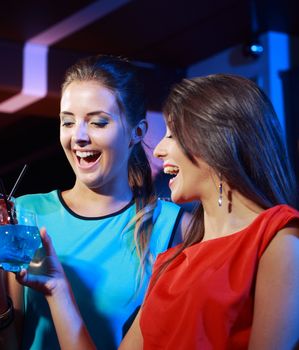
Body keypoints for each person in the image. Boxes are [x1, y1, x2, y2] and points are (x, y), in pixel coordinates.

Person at [0, 55, 187, 349]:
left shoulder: (172, 225)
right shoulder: (25, 211)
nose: (78, 136)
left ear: (136, 133)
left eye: (98, 122)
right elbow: (4, 344)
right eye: (68, 122)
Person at [119, 74, 299, 349]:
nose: (159, 150)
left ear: (216, 141)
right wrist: (58, 291)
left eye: (172, 135)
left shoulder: (279, 238)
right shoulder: (170, 264)